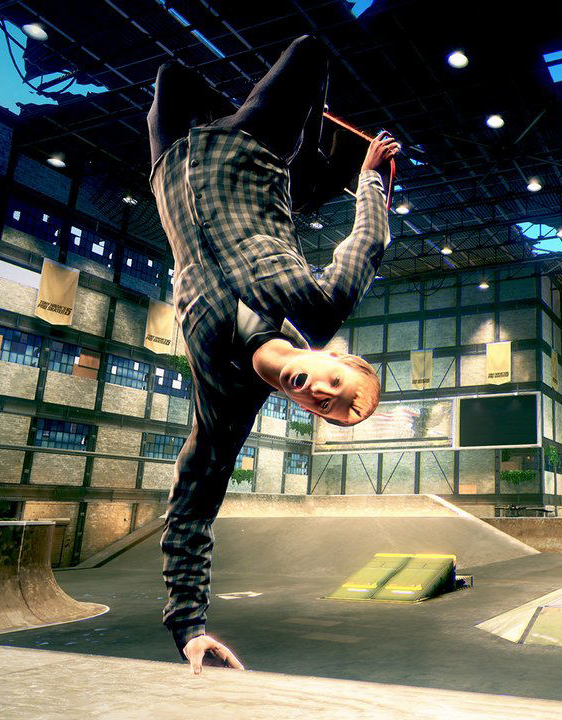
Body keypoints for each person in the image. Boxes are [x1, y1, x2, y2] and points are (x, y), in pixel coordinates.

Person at [146, 34, 399, 674]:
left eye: (330, 409)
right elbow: (367, 246)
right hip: (249, 151)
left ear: (312, 412)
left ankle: (301, 170)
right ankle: (304, 164)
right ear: (334, 358)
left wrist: (189, 630)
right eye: (338, 385)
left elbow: (191, 511)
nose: (324, 394)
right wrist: (370, 178)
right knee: (311, 52)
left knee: (169, 78)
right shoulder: (318, 308)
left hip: (169, 169)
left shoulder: (226, 404)